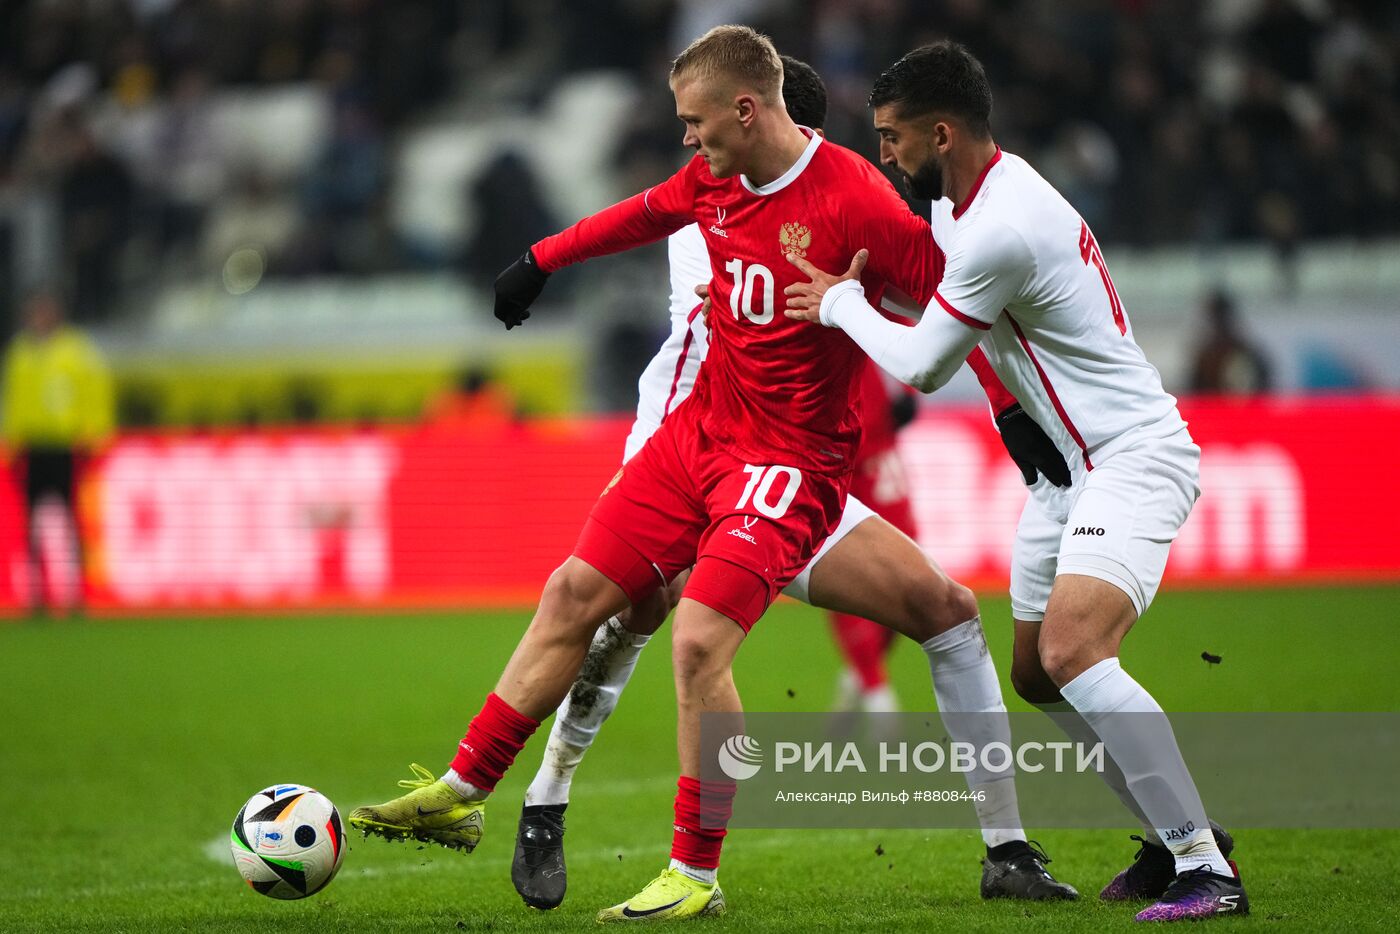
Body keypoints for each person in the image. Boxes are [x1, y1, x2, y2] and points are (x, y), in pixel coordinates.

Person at [349, 30, 1075, 922]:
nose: (686, 140)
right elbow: (643, 212)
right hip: (694, 440)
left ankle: (693, 869)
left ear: (747, 109)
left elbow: (956, 303)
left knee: (693, 640)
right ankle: (467, 790)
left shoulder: (859, 201)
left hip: (787, 469)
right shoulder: (714, 182)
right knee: (577, 595)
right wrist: (539, 261)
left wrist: (1006, 404)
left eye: (695, 122)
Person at [783, 41, 1248, 923]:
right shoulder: (970, 199)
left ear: (943, 133)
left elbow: (922, 366)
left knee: (1076, 652)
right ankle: (1170, 830)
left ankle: (1205, 868)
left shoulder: (1000, 224)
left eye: (893, 137)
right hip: (1064, 477)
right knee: (1037, 673)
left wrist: (838, 303)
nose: (885, 153)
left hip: (1132, 458)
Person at [1, 289, 114, 613]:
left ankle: (75, 592)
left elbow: (94, 392)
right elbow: (13, 400)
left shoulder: (76, 351)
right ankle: (36, 594)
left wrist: (94, 433)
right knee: (31, 524)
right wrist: (11, 440)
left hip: (67, 445)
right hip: (33, 447)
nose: (39, 318)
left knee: (70, 522)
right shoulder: (20, 354)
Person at [1187, 289, 1272, 396]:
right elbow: (1196, 396)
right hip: (1213, 411)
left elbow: (1264, 388)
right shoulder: (1204, 358)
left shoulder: (1249, 353)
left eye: (1220, 318)